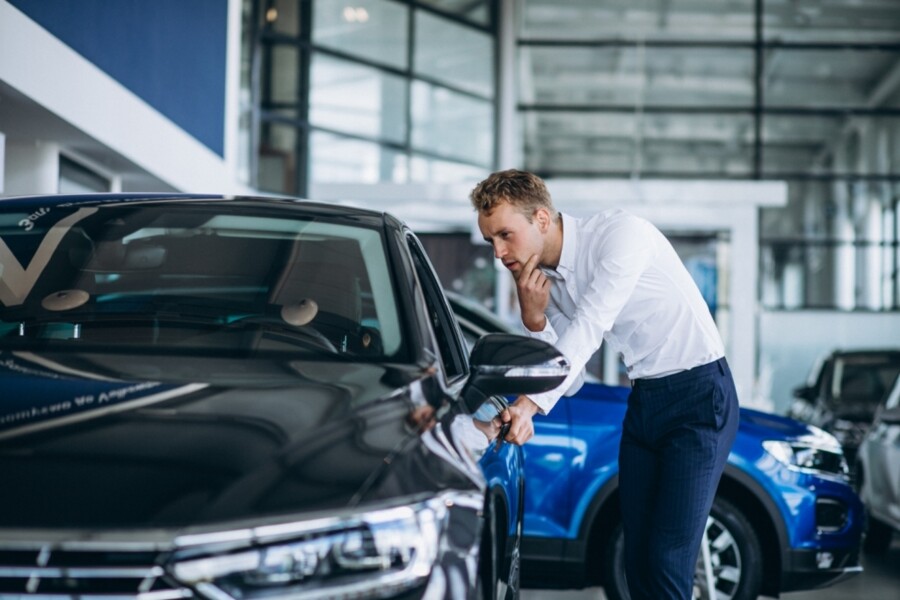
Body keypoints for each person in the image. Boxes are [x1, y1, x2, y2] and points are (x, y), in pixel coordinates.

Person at [469, 169, 739, 600]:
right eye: (490, 241)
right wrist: (535, 320)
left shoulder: (620, 236)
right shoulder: (546, 284)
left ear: (541, 219)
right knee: (637, 560)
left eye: (505, 235)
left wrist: (528, 405)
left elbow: (590, 328)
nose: (499, 252)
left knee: (666, 559)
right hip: (646, 400)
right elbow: (572, 378)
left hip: (699, 398)